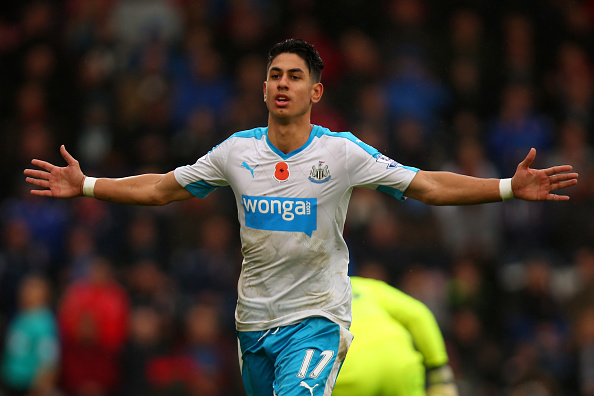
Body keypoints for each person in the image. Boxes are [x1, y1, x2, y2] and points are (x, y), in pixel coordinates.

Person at [24, 38, 578, 396]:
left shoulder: (340, 152)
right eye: (274, 75)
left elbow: (426, 184)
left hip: (316, 319)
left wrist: (506, 187)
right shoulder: (235, 152)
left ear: (314, 90)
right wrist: (89, 184)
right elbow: (161, 189)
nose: (282, 83)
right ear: (263, 87)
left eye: (293, 76)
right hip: (253, 324)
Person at [333, 276, 457, 396]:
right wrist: (439, 373)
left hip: (348, 371)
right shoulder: (362, 285)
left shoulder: (314, 299)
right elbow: (419, 315)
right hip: (399, 361)